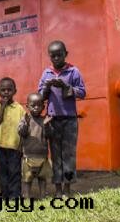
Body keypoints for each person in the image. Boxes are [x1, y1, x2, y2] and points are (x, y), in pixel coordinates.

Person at [38, 40, 86, 197]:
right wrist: (47, 87)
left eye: (59, 55)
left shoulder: (73, 71)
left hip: (69, 120)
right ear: (49, 56)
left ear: (66, 54)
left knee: (69, 155)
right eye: (53, 56)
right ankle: (58, 189)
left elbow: (82, 92)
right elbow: (40, 96)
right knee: (55, 155)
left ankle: (67, 188)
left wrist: (66, 87)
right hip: (52, 120)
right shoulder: (46, 73)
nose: (56, 58)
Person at [0, 77, 25, 199]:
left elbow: (23, 127)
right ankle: (5, 194)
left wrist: (22, 145)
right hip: (1, 145)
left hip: (15, 146)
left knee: (15, 171)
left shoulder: (19, 108)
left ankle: (15, 195)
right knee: (3, 171)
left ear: (15, 91)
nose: (6, 92)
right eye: (3, 90)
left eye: (9, 90)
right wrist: (2, 107)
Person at [17, 92, 53, 199]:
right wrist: (26, 124)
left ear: (43, 107)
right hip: (28, 156)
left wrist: (46, 125)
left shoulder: (44, 120)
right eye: (33, 105)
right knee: (27, 178)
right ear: (27, 106)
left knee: (42, 178)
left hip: (42, 156)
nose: (36, 108)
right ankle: (27, 196)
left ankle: (42, 196)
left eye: (39, 105)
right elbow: (21, 133)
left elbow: (49, 135)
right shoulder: (25, 119)